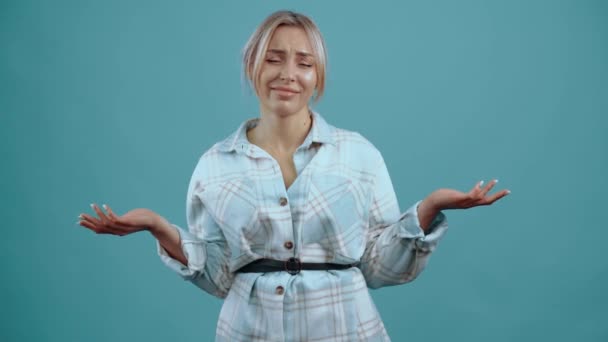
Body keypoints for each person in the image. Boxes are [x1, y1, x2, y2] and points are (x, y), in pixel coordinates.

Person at [78, 10, 510, 341]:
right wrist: (158, 227)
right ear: (253, 66)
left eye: (304, 62)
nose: (288, 74)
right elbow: (219, 276)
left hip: (346, 328)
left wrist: (428, 209)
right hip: (250, 330)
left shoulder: (358, 154)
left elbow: (379, 268)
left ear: (317, 75)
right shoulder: (215, 164)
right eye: (274, 59)